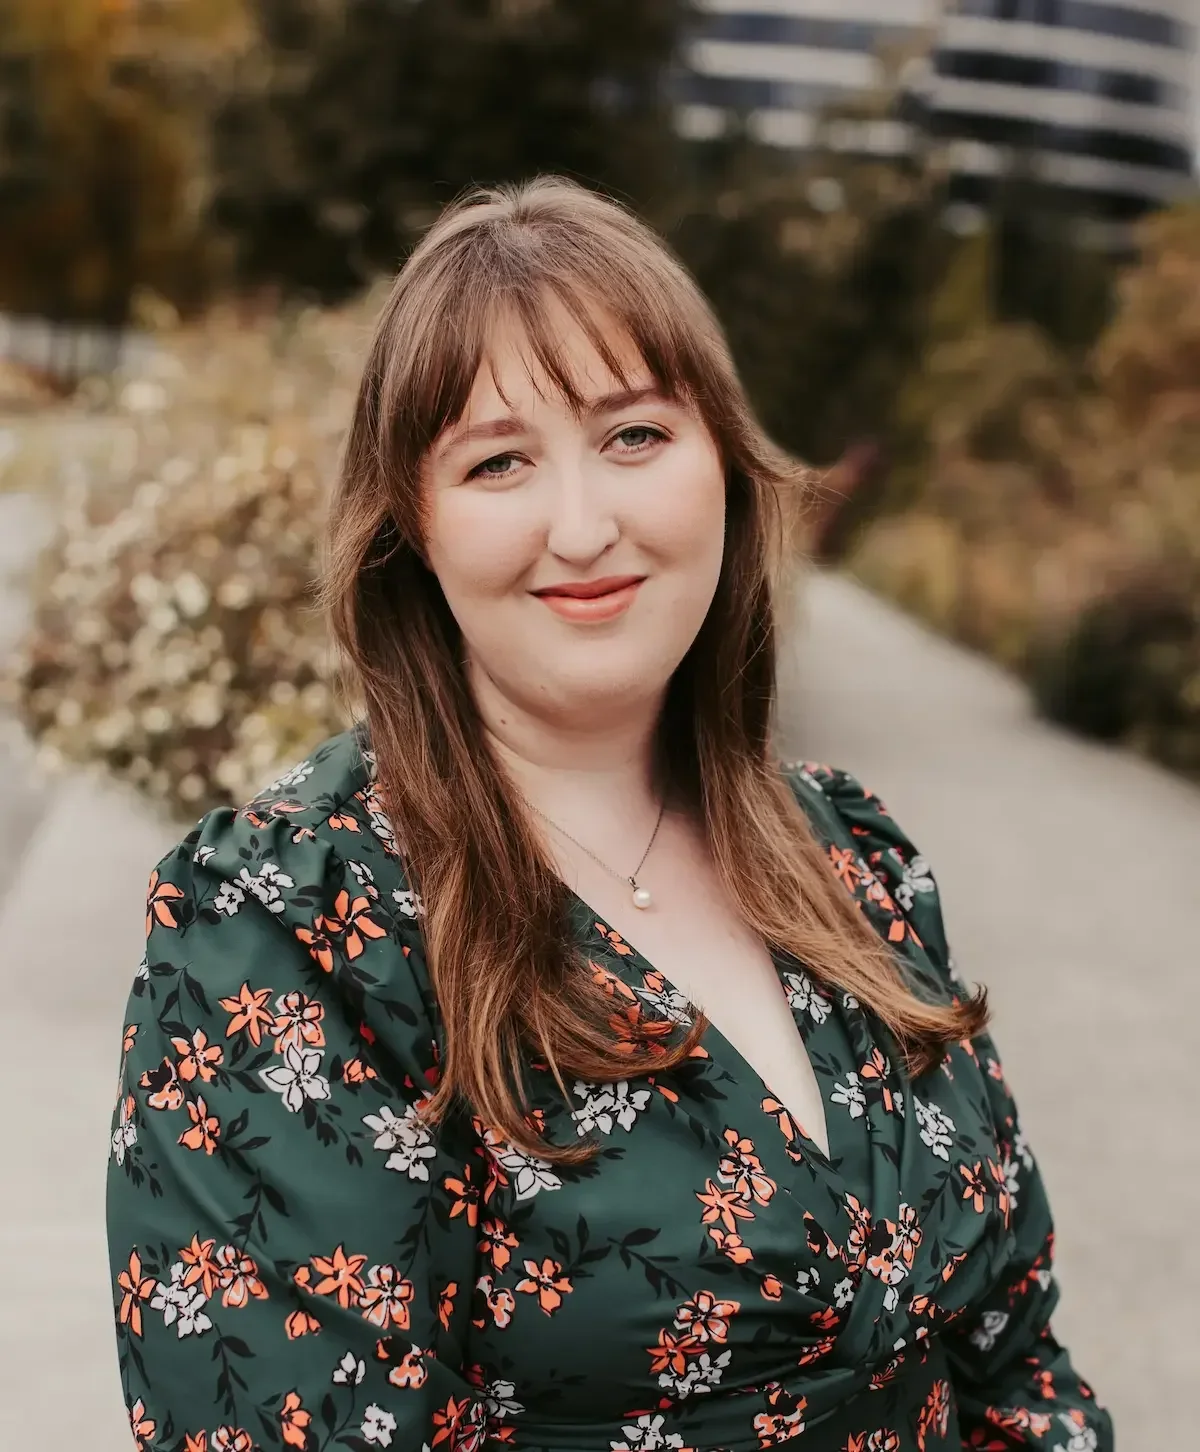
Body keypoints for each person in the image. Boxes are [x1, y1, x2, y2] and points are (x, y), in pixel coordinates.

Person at [106, 176, 1111, 1452]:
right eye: (499, 461)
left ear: (726, 472)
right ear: (412, 525)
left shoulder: (855, 863)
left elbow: (1018, 1360)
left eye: (635, 436)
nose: (583, 527)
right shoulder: (286, 926)